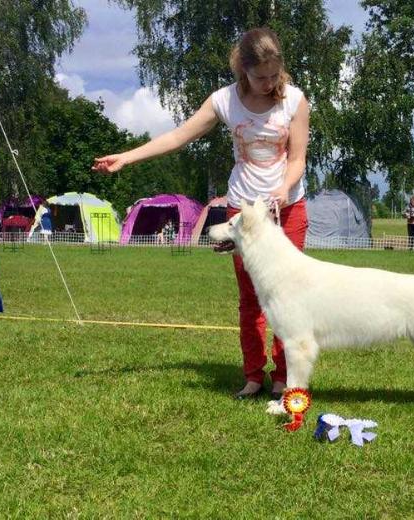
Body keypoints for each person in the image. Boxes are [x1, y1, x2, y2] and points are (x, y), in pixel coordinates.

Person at [92, 27, 310, 401]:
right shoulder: (224, 101)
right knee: (251, 300)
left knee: (289, 299)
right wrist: (126, 158)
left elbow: (298, 158)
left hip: (287, 209)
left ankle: (284, 378)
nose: (269, 83)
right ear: (243, 69)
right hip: (242, 211)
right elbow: (178, 136)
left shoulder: (294, 100)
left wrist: (284, 188)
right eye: (261, 77)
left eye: (275, 74)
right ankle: (253, 376)